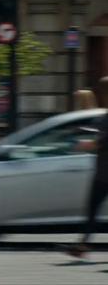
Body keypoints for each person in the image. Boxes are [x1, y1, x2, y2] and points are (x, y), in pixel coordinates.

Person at [64, 77, 108, 258]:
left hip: (105, 173)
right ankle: (83, 245)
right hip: (103, 171)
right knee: (92, 207)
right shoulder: (104, 116)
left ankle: (83, 245)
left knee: (92, 208)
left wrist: (85, 145)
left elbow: (101, 141)